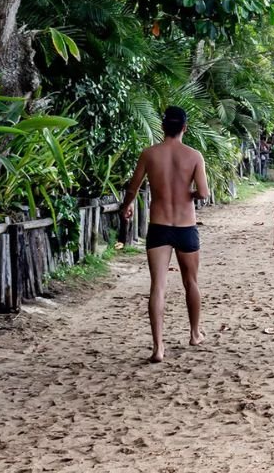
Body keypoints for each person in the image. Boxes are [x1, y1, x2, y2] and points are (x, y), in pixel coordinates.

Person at [120, 106, 209, 364]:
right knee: (191, 282)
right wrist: (189, 195)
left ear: (162, 127)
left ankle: (158, 348)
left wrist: (126, 206)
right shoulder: (194, 156)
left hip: (158, 226)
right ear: (185, 127)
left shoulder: (149, 154)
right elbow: (203, 193)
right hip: (185, 226)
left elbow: (133, 187)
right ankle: (194, 333)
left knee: (157, 286)